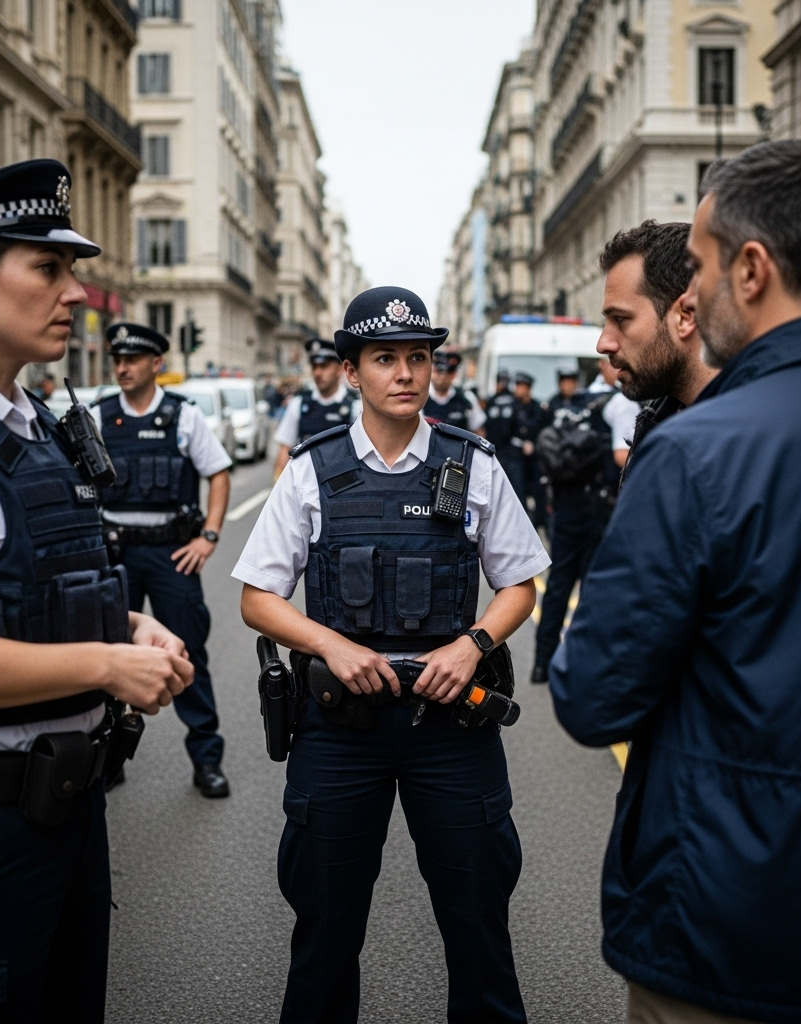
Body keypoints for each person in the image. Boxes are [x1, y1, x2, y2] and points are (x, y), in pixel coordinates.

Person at [551, 140, 801, 1023]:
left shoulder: (694, 452)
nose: (692, 298)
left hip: (728, 923)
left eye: (699, 269)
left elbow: (591, 695)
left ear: (751, 270)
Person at [0, 159, 193, 1021]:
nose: (75, 293)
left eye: (71, 270)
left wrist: (129, 628)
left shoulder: (39, 426)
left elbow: (35, 588)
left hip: (68, 815)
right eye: (47, 268)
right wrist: (108, 665)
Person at [232, 285, 549, 1024]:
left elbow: (519, 585)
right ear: (351, 371)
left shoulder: (474, 463)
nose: (405, 373)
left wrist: (472, 645)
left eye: (418, 357)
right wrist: (331, 644)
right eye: (384, 358)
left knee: (479, 927)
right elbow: (258, 597)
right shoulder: (312, 468)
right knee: (325, 931)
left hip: (452, 727)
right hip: (341, 729)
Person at [95, 322, 232, 798]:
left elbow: (218, 473)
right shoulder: (97, 415)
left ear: (156, 364)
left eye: (132, 360)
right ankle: (107, 760)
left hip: (172, 555)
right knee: (109, 653)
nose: (122, 367)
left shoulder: (183, 416)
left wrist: (208, 537)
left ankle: (207, 760)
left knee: (187, 652)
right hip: (115, 554)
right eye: (117, 360)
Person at [530, 360, 638, 681]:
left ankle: (542, 662)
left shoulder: (573, 403)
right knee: (594, 588)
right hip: (597, 509)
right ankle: (583, 664)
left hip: (565, 507)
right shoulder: (620, 403)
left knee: (558, 585)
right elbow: (621, 455)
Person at [595, 220, 718, 486]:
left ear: (685, 316)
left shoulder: (752, 442)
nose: (603, 344)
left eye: (621, 319)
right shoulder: (659, 420)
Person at [272, 338, 359, 478]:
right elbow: (284, 449)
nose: (317, 373)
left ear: (339, 369)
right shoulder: (299, 404)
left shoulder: (355, 406)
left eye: (324, 366)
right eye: (314, 366)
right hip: (305, 484)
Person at [499, 371, 546, 517]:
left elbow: (540, 428)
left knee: (538, 489)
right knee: (518, 489)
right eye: (517, 385)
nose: (518, 389)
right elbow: (504, 432)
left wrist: (532, 443)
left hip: (534, 456)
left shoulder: (537, 407)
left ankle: (538, 519)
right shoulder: (510, 405)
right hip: (514, 456)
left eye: (522, 386)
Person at [422, 348, 486, 434]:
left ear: (454, 374)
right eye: (438, 371)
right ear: (431, 371)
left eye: (448, 373)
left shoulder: (466, 399)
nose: (442, 377)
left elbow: (478, 430)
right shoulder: (420, 398)